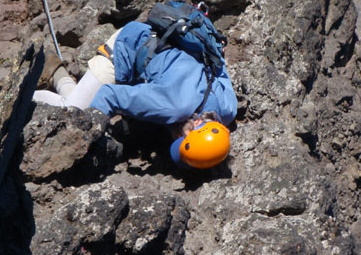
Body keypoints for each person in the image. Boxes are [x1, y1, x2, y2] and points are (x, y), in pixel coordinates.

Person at [33, 19, 237, 169]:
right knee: (72, 112)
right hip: (126, 46)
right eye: (180, 141)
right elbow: (109, 95)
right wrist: (91, 138)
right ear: (193, 128)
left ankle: (58, 74)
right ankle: (28, 93)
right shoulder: (170, 107)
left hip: (163, 44)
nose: (175, 139)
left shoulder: (227, 110)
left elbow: (218, 62)